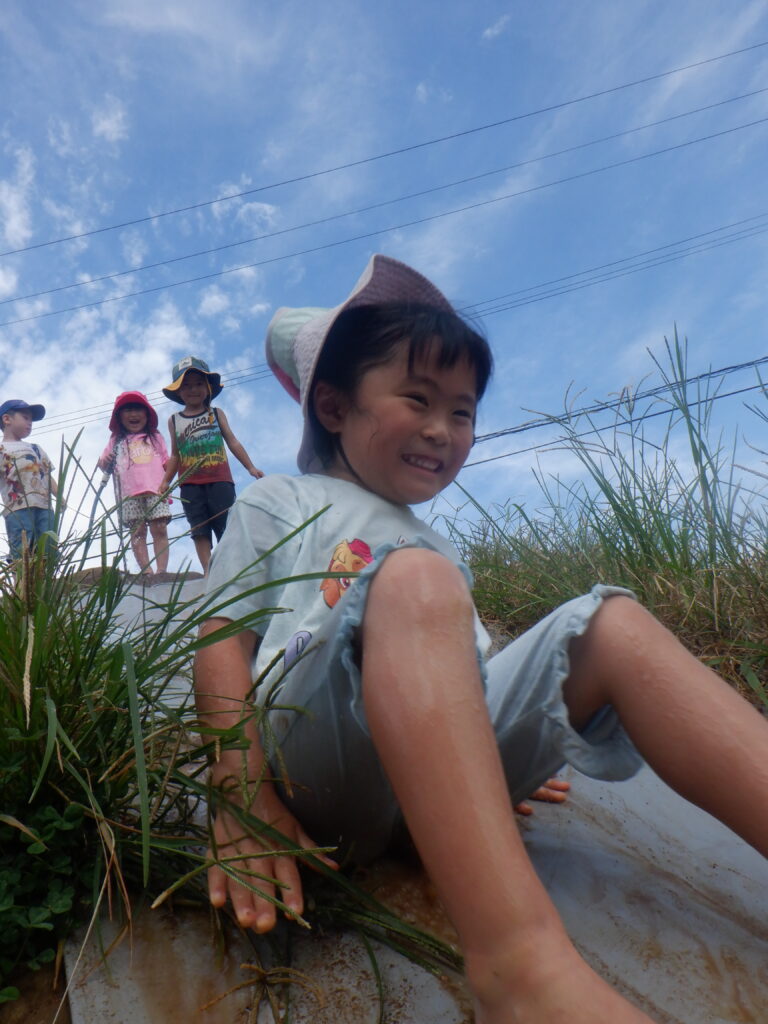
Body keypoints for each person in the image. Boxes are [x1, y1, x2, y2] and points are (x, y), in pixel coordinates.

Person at [193, 255, 768, 1024]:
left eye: (462, 411)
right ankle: (521, 972)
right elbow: (222, 640)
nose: (443, 429)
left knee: (614, 627)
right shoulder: (282, 500)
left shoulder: (435, 544)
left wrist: (515, 736)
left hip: (423, 790)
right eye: (418, 399)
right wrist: (240, 795)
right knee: (416, 580)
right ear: (332, 405)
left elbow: (462, 676)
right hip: (318, 758)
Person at [159, 356, 264, 573]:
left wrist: (250, 467)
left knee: (226, 524)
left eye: (198, 383)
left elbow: (232, 441)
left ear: (207, 387)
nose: (193, 389)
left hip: (220, 479)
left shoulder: (215, 413)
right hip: (190, 484)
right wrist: (166, 481)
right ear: (178, 391)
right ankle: (208, 571)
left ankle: (232, 568)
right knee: (199, 528)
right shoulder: (174, 420)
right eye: (186, 385)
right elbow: (175, 455)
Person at [98, 391, 172, 577]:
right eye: (128, 410)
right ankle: (146, 571)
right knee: (137, 531)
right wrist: (106, 460)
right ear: (119, 416)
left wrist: (168, 481)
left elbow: (167, 461)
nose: (133, 414)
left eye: (138, 409)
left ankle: (162, 570)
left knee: (159, 528)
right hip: (129, 493)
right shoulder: (116, 440)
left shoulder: (154, 436)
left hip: (156, 489)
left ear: (147, 414)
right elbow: (103, 464)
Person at [0, 398, 60, 560]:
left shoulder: (35, 449)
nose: (30, 423)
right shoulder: (1, 450)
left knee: (49, 548)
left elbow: (47, 475)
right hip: (17, 508)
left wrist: (59, 496)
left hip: (44, 506)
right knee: (23, 551)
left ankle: (47, 575)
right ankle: (22, 575)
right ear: (7, 419)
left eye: (31, 420)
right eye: (25, 417)